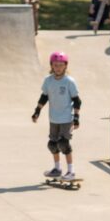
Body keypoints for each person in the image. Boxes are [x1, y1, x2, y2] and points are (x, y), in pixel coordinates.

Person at [32, 51, 81, 183]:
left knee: (64, 144)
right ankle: (57, 169)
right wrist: (37, 111)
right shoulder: (48, 81)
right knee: (53, 145)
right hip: (53, 118)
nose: (58, 68)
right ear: (51, 66)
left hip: (66, 118)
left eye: (60, 65)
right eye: (55, 65)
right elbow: (44, 97)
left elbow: (77, 101)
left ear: (65, 66)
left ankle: (71, 171)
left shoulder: (69, 81)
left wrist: (76, 117)